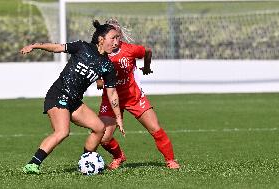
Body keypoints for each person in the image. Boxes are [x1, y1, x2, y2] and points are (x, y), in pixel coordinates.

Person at [20, 20, 125, 174]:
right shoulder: (82, 47)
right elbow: (57, 47)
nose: (117, 42)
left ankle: (85, 161)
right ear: (101, 39)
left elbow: (112, 92)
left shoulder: (107, 65)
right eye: (113, 38)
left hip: (74, 101)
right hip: (58, 95)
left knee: (99, 128)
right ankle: (32, 164)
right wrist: (35, 45)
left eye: (118, 38)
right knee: (62, 132)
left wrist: (118, 118)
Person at [96, 19, 180, 170]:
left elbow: (147, 51)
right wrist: (100, 81)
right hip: (110, 100)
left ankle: (170, 160)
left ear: (119, 34)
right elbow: (98, 81)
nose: (115, 39)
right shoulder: (99, 53)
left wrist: (146, 67)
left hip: (133, 97)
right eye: (111, 36)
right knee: (103, 138)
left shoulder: (129, 50)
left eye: (117, 35)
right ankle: (119, 157)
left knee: (155, 128)